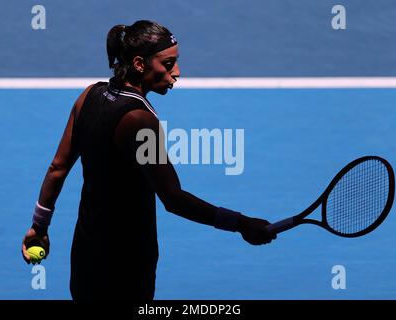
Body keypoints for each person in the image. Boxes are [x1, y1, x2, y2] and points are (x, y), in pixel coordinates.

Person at [21, 20, 276, 300]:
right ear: (140, 64)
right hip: (126, 264)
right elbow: (173, 198)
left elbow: (57, 169)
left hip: (86, 254)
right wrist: (240, 223)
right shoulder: (140, 120)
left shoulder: (89, 95)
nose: (176, 73)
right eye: (168, 65)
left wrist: (39, 226)